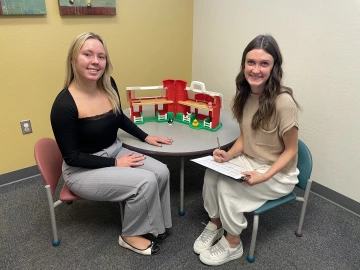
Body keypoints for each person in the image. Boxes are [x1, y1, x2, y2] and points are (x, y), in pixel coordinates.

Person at [50, 32, 173, 256]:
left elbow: (119, 117)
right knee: (145, 181)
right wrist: (115, 162)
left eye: (101, 56)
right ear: (73, 59)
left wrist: (145, 136)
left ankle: (155, 224)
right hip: (82, 170)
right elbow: (72, 157)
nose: (95, 61)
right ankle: (130, 234)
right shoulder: (63, 105)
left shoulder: (108, 84)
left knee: (162, 171)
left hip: (115, 151)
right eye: (87, 54)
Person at [193, 34, 300, 266]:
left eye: (264, 63)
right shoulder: (243, 96)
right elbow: (246, 135)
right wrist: (230, 155)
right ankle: (216, 223)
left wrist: (265, 176)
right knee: (213, 172)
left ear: (274, 67)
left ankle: (233, 243)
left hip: (278, 173)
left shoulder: (284, 103)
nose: (256, 69)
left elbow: (291, 150)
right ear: (244, 64)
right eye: (251, 62)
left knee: (227, 187)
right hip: (250, 160)